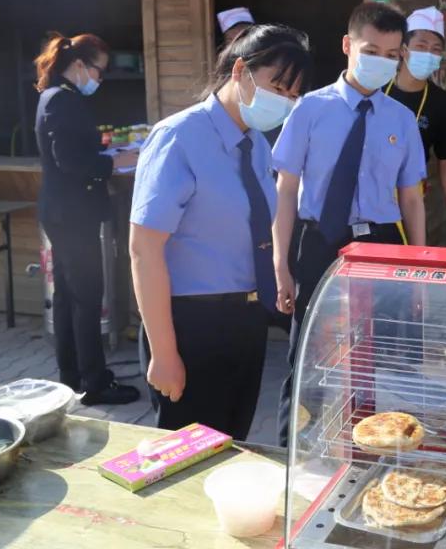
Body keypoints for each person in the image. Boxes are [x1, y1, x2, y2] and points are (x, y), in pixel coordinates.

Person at [129, 25, 315, 438]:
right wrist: (163, 352)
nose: (283, 101)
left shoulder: (258, 143)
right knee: (186, 457)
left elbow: (257, 223)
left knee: (232, 443)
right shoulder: (178, 137)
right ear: (239, 72)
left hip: (245, 321)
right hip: (191, 323)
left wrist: (279, 272)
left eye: (292, 94)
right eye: (277, 86)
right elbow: (143, 250)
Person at [272, 2, 428, 445]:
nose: (382, 61)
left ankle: (376, 445)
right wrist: (282, 264)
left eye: (393, 53)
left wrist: (418, 268)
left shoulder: (402, 120)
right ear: (347, 46)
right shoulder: (308, 110)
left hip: (380, 244)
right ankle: (295, 448)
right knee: (311, 354)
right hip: (320, 239)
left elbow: (412, 198)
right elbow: (286, 190)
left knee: (380, 353)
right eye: (371, 49)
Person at [34, 32, 140, 406]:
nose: (100, 79)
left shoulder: (57, 97)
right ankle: (94, 384)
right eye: (99, 71)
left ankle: (72, 377)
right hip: (72, 213)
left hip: (62, 212)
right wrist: (116, 162)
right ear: (79, 65)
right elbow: (72, 161)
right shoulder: (62, 101)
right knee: (86, 298)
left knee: (68, 298)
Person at [384, 6, 446, 247]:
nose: (428, 54)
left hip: (411, 200)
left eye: (436, 50)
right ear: (403, 50)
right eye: (421, 46)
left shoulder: (441, 103)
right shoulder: (377, 89)